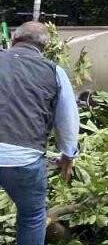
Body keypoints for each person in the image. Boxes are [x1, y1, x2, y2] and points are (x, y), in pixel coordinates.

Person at [0, 22, 79, 245]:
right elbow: (67, 120)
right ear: (44, 47)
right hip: (22, 159)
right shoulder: (54, 71)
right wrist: (68, 155)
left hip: (20, 156)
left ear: (14, 39)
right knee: (32, 216)